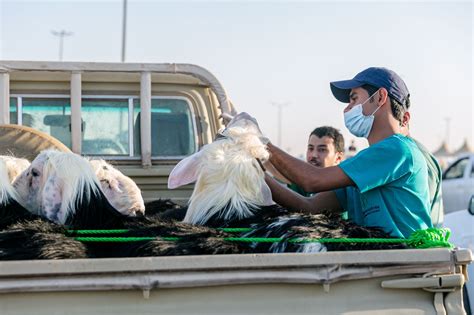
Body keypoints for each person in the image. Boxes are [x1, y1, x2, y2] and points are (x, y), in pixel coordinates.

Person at [236, 67, 434, 238]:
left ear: (380, 97)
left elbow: (312, 180)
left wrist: (257, 140)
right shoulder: (364, 165)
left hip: (404, 268)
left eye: (354, 99)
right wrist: (254, 171)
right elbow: (310, 206)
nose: (347, 109)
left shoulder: (397, 150)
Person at [286, 126, 345, 197]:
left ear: (338, 158)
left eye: (322, 150)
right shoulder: (303, 182)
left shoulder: (346, 189)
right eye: (311, 149)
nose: (314, 155)